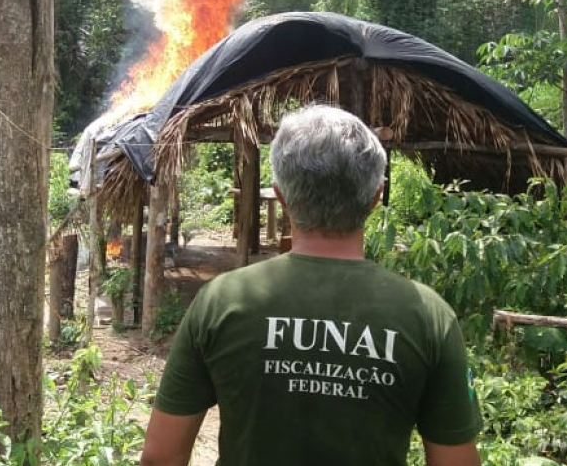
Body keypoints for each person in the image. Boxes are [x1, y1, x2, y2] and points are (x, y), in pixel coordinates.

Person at [140, 104, 482, 466]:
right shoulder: (428, 316)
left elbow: (161, 457)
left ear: (281, 196)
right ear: (376, 197)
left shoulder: (220, 301)